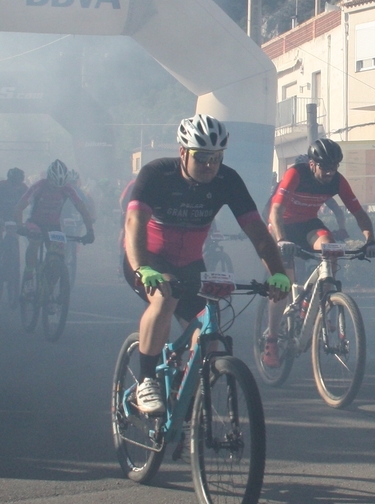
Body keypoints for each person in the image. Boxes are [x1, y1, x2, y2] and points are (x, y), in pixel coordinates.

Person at [121, 114, 290, 415]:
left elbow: (257, 232)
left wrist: (277, 273)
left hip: (190, 262)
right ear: (183, 152)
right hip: (148, 258)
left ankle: (182, 392)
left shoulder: (228, 180)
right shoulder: (157, 173)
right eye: (202, 157)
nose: (210, 165)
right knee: (165, 298)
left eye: (217, 157)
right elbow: (134, 222)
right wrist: (142, 268)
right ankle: (146, 381)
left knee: (210, 337)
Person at [263, 138, 375, 366]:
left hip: (308, 224)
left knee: (331, 247)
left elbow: (358, 213)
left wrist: (371, 240)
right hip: (281, 226)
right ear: (312, 164)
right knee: (283, 283)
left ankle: (320, 302)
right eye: (325, 166)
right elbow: (275, 211)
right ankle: (272, 340)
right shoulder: (296, 174)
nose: (329, 172)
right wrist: (281, 239)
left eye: (334, 166)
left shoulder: (337, 180)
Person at [17, 160, 97, 274]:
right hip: (35, 223)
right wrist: (20, 226)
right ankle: (29, 273)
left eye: (60, 186)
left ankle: (51, 276)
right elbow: (19, 207)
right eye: (53, 185)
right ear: (49, 178)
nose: (56, 189)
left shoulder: (67, 189)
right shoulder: (38, 186)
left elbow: (83, 210)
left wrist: (90, 231)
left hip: (54, 226)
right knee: (35, 242)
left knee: (59, 253)